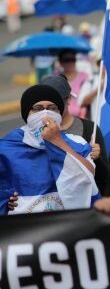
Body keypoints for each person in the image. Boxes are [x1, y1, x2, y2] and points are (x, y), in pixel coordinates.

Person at [0, 85, 97, 214]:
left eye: (52, 109)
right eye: (38, 109)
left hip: (66, 224)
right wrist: (6, 202)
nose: (45, 114)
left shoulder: (77, 142)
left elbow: (89, 176)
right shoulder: (8, 147)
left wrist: (57, 141)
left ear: (59, 113)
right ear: (27, 114)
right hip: (26, 229)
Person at [40, 75, 110, 195]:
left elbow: (104, 178)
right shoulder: (36, 131)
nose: (51, 107)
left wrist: (97, 159)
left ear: (68, 99)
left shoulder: (90, 129)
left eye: (57, 101)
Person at [56, 49, 91, 118]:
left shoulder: (84, 77)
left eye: (73, 59)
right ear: (60, 62)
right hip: (61, 118)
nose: (70, 62)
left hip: (81, 118)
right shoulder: (56, 78)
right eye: (66, 60)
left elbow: (86, 100)